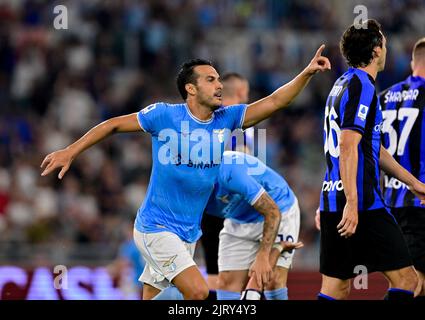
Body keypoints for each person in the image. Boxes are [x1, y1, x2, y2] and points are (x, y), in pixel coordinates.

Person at [41, 50, 330, 300]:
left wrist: (305, 73)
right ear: (191, 89)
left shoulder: (226, 119)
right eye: (211, 80)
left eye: (218, 79)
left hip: (188, 233)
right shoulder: (164, 116)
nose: (220, 85)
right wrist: (71, 150)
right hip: (155, 228)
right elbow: (113, 125)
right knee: (198, 293)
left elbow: (276, 102)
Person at [318, 20, 425, 300]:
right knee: (407, 280)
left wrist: (413, 182)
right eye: (385, 44)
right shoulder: (362, 86)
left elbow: (372, 149)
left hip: (332, 200)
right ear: (377, 50)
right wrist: (353, 204)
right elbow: (348, 144)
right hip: (362, 202)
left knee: (336, 287)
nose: (387, 49)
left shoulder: (340, 85)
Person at [205, 151, 303, 300]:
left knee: (273, 280)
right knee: (226, 283)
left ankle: (276, 249)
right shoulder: (183, 190)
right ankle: (278, 248)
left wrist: (263, 256)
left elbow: (272, 212)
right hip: (239, 219)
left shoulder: (229, 171)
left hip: (278, 207)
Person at [379, 37, 425, 299]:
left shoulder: (383, 97)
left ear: (412, 63)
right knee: (413, 282)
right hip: (419, 203)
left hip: (389, 203)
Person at [200, 72, 251, 298]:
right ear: (240, 92)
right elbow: (241, 163)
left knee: (213, 270)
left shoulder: (207, 117)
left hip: (205, 203)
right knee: (234, 275)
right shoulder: (237, 121)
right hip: (230, 205)